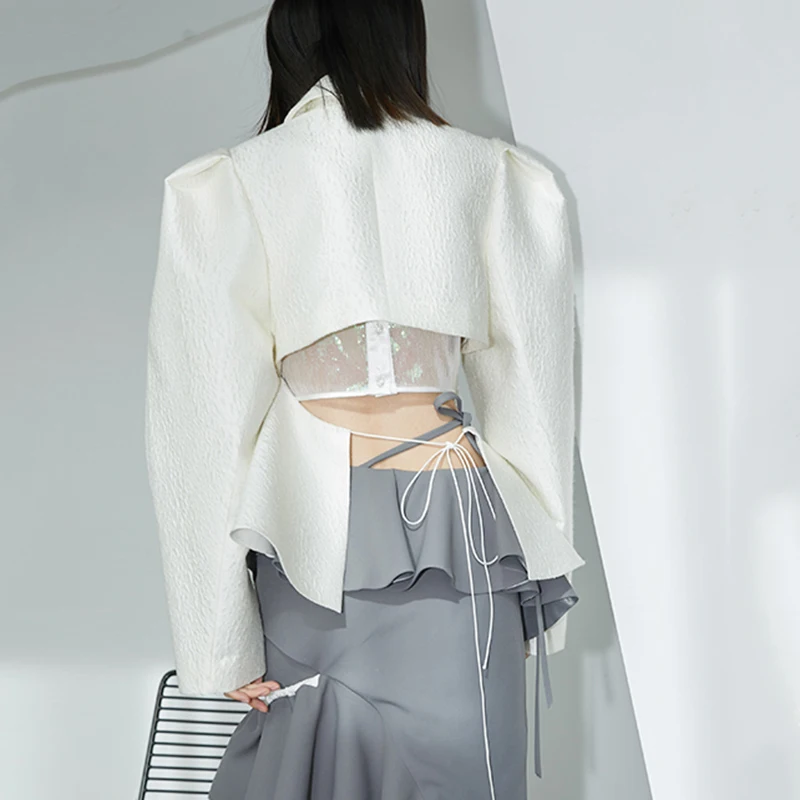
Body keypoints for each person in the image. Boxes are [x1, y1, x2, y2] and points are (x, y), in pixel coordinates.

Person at [144, 1, 586, 798]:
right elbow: (537, 392)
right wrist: (539, 585)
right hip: (461, 529)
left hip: (317, 539)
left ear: (290, 37)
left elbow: (201, 424)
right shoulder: (487, 171)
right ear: (401, 33)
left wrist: (218, 639)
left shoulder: (238, 184)